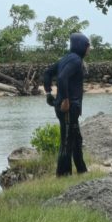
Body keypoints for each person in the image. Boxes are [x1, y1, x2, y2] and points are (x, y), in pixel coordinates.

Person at [43, 32, 90, 176]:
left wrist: (48, 93)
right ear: (81, 46)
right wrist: (65, 100)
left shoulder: (65, 59)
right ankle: (63, 174)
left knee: (76, 139)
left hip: (68, 106)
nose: (89, 49)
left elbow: (47, 73)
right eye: (87, 46)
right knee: (67, 141)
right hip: (68, 107)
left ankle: (81, 170)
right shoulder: (75, 60)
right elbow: (62, 78)